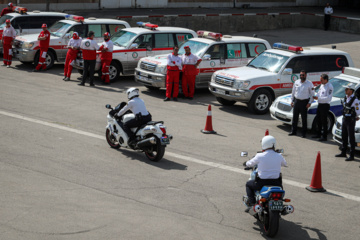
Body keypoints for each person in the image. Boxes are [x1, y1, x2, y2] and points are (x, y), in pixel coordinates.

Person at [244, 135, 287, 212]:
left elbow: (250, 164)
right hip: (277, 183)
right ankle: (280, 204)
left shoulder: (260, 155)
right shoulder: (279, 156)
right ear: (274, 144)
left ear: (264, 144)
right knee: (280, 192)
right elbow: (285, 164)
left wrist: (246, 163)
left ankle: (252, 203)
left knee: (248, 184)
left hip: (261, 183)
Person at [335, 83, 360, 161]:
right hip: (345, 119)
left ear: (351, 90)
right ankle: (343, 152)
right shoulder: (346, 97)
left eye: (347, 89)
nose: (345, 90)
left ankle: (351, 155)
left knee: (351, 138)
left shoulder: (355, 100)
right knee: (344, 136)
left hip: (350, 120)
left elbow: (358, 111)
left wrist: (354, 117)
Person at [289, 70, 314, 138]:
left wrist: (309, 103)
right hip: (297, 101)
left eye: (303, 75)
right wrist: (292, 101)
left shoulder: (309, 83)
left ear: (306, 75)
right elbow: (293, 92)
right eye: (300, 75)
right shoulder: (296, 82)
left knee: (304, 118)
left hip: (304, 102)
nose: (301, 76)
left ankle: (303, 133)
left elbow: (312, 94)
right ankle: (293, 131)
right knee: (295, 117)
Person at [312, 74, 333, 141]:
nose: (320, 81)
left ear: (325, 80)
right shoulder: (322, 85)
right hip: (320, 104)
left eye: (321, 80)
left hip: (325, 105)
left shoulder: (330, 87)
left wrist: (318, 98)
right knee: (318, 119)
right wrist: (315, 96)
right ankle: (318, 134)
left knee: (324, 121)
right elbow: (319, 93)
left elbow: (328, 98)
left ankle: (324, 136)